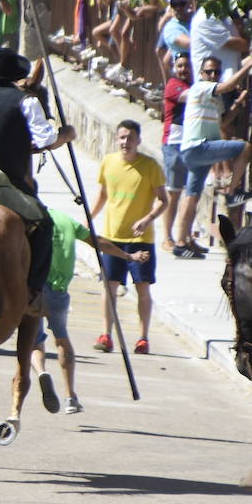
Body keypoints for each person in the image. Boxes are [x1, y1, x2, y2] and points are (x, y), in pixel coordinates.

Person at [0, 48, 74, 297]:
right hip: (3, 177)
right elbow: (46, 139)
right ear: (15, 76)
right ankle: (33, 291)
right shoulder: (26, 100)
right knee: (44, 224)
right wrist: (67, 133)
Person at [32, 208, 150, 414]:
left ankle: (41, 372)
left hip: (33, 287)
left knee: (34, 341)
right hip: (59, 289)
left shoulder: (30, 217)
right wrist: (128, 256)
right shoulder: (64, 218)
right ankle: (70, 396)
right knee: (61, 339)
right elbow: (99, 242)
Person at [170, 53, 252, 257]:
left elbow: (223, 123)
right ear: (201, 74)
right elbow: (227, 86)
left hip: (198, 151)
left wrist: (238, 103)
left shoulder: (213, 98)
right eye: (208, 71)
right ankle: (231, 194)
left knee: (191, 195)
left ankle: (181, 242)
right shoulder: (201, 87)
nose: (212, 74)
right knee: (245, 148)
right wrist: (250, 65)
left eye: (216, 72)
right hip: (199, 147)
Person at [90, 119, 169, 355]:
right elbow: (103, 195)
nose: (126, 142)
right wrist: (89, 218)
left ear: (138, 140)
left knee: (142, 287)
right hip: (112, 235)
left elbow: (164, 201)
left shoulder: (150, 166)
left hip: (140, 239)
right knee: (109, 286)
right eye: (122, 137)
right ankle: (106, 335)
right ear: (117, 139)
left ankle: (143, 338)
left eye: (130, 138)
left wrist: (147, 219)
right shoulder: (108, 162)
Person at [160, 52, 191, 251]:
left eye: (186, 66)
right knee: (174, 194)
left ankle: (185, 236)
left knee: (190, 194)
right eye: (179, 66)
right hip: (174, 145)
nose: (183, 69)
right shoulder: (173, 85)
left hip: (190, 144)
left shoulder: (193, 85)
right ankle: (167, 237)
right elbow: (193, 97)